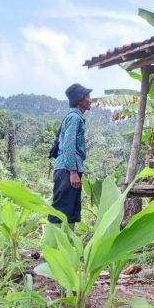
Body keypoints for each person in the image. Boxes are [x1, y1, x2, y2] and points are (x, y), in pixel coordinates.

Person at [49, 83, 92, 226]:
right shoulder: (74, 118)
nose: (90, 100)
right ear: (80, 100)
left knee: (71, 210)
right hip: (68, 169)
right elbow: (68, 145)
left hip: (68, 168)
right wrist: (73, 171)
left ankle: (67, 245)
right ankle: (52, 246)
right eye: (87, 97)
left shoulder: (75, 117)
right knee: (60, 210)